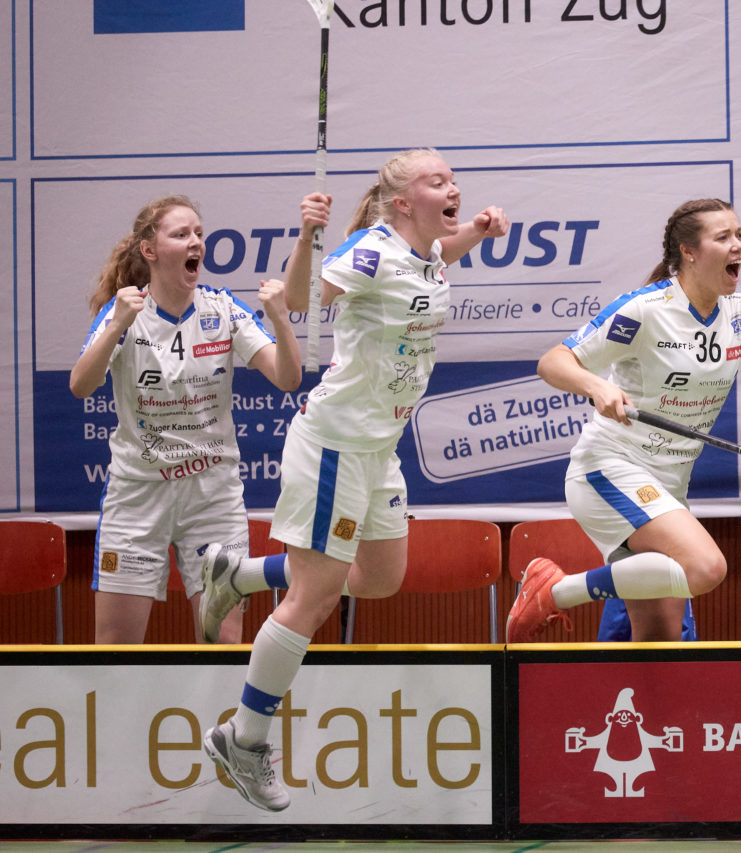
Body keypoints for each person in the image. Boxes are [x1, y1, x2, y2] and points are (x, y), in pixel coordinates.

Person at [200, 148, 509, 812]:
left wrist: (475, 235)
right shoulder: (372, 248)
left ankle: (242, 574)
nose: (452, 187)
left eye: (453, 178)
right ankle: (244, 737)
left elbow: (431, 263)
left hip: (380, 448)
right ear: (403, 203)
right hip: (336, 443)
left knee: (378, 577)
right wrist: (310, 235)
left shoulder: (421, 250)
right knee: (314, 600)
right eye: (438, 182)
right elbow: (311, 297)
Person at [505, 197, 741, 644]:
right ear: (688, 251)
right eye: (723, 237)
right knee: (706, 567)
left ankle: (643, 713)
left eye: (740, 236)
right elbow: (553, 363)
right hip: (608, 469)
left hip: (668, 486)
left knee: (658, 639)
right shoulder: (646, 308)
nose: (739, 247)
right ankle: (553, 591)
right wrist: (597, 386)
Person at [69, 195, 302, 645]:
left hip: (212, 497)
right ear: (149, 251)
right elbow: (81, 385)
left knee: (224, 644)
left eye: (198, 233)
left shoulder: (223, 310)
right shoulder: (125, 313)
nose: (196, 242)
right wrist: (117, 323)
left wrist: (281, 320)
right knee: (116, 647)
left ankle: (221, 719)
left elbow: (287, 379)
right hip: (138, 497)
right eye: (181, 234)